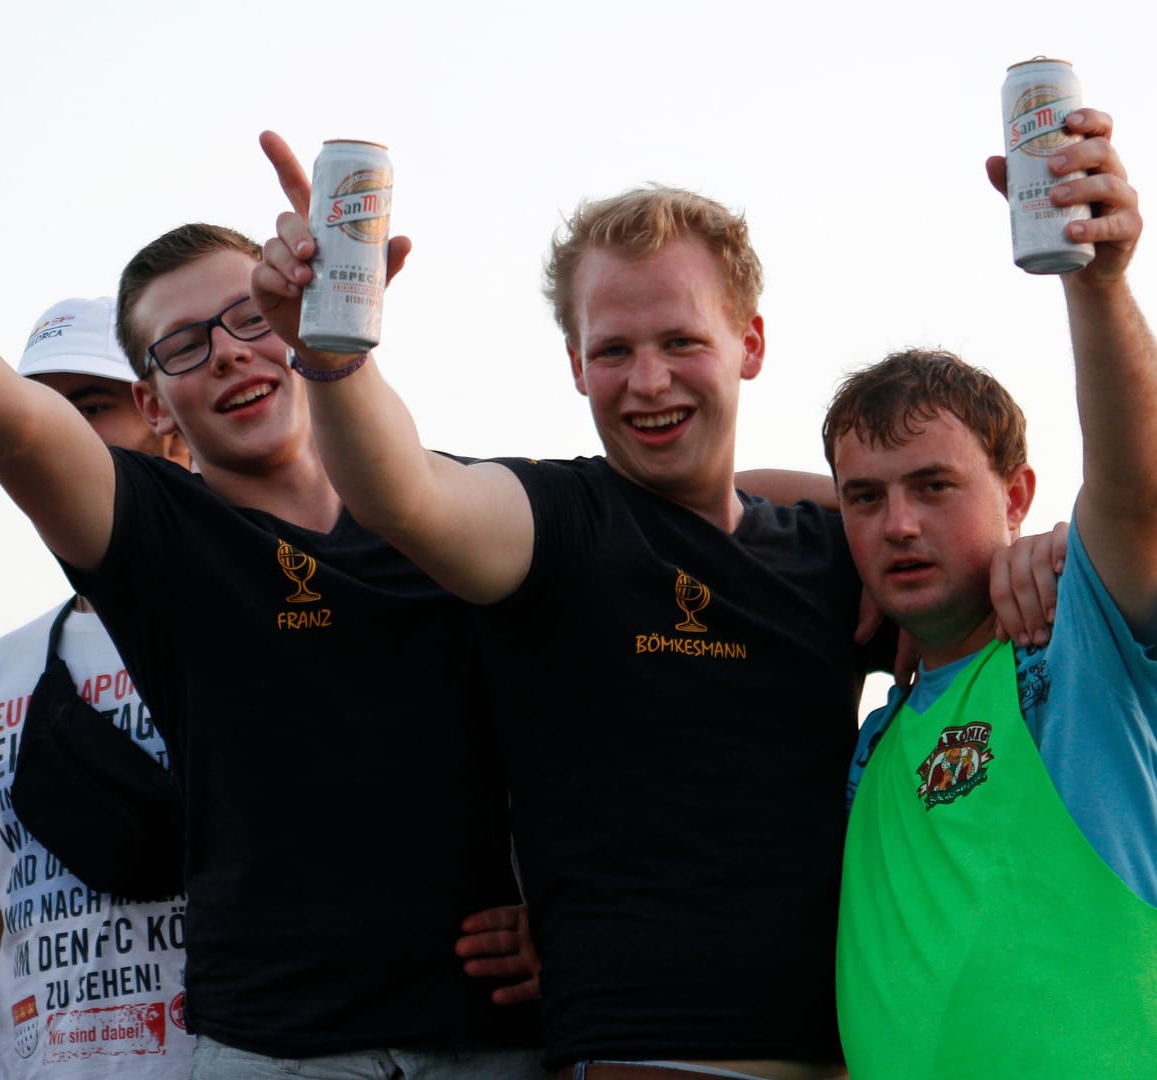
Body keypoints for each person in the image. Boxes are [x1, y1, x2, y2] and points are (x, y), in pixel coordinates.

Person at [0, 106, 542, 1080]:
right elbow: (9, 420)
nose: (225, 353)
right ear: (151, 404)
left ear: (301, 324)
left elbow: (618, 717)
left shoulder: (464, 513)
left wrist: (569, 919)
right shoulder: (164, 540)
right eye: (181, 347)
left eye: (252, 320)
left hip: (489, 1043)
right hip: (276, 1050)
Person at [252, 136, 907, 1079]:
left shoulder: (833, 551)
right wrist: (331, 353)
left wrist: (1027, 559)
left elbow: (966, 571)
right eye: (614, 351)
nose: (648, 382)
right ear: (574, 363)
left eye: (682, 341)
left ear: (749, 345)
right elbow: (402, 492)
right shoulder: (558, 525)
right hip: (642, 1060)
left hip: (852, 1054)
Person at [825, 109, 1157, 1077]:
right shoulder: (877, 743)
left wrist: (1097, 287)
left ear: (1019, 493)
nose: (897, 524)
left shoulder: (1086, 655)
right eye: (865, 498)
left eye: (935, 487)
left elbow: (1136, 489)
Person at [0, 296, 198, 1077]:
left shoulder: (270, 631)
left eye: (91, 407)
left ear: (163, 417)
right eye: (33, 407)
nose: (46, 434)